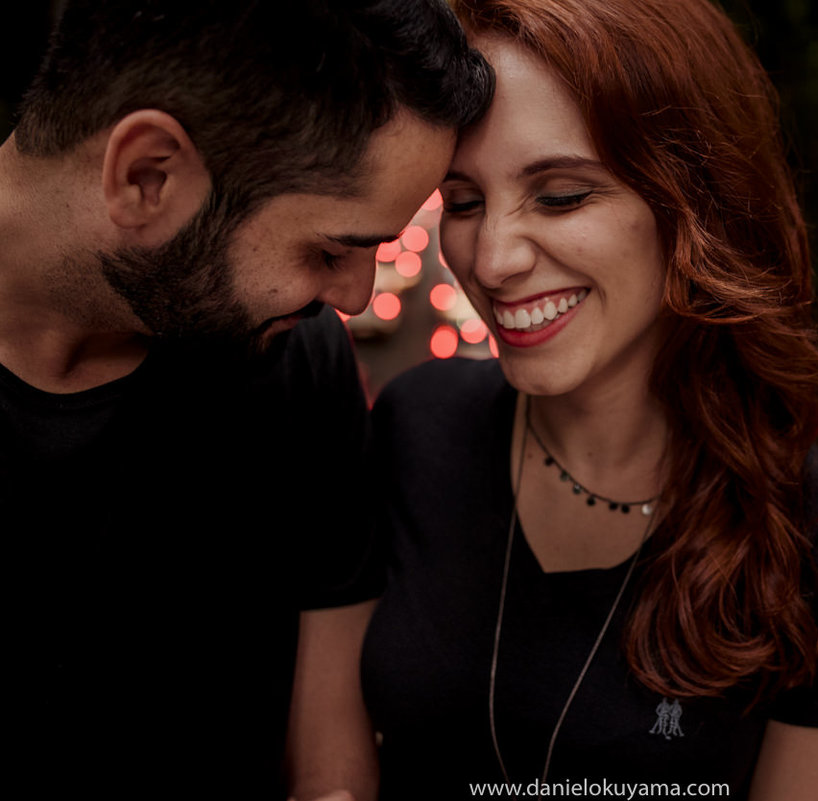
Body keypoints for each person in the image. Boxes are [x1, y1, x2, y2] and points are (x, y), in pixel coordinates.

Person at [361, 0, 818, 798]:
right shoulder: (414, 425)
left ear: (694, 202)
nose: (494, 258)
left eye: (561, 196)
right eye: (465, 202)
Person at [0, 1, 491, 798]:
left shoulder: (295, 362)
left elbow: (329, 760)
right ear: (147, 175)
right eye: (331, 248)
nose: (358, 297)